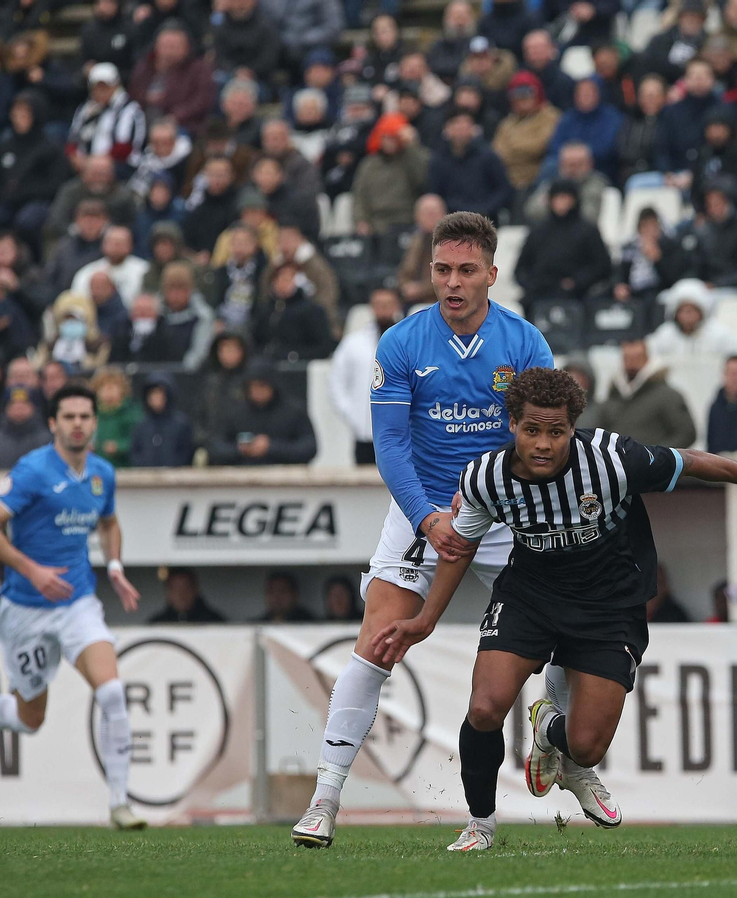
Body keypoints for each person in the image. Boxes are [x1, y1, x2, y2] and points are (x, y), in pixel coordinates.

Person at [369, 367, 737, 850]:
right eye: (532, 430)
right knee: (485, 708)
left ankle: (552, 732)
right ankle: (481, 823)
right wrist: (425, 619)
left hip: (609, 604)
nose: (544, 443)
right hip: (529, 594)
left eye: (557, 431)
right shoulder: (485, 476)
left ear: (573, 427)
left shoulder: (612, 459)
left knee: (588, 745)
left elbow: (689, 461)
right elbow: (460, 546)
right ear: (511, 425)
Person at [290, 212, 564, 850]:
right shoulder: (401, 343)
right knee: (378, 642)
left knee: (564, 633)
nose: (453, 282)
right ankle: (324, 800)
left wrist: (513, 503)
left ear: (492, 274)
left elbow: (547, 437)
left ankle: (552, 737)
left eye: (467, 270)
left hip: (504, 510)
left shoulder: (525, 344)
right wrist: (425, 516)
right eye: (443, 269)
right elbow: (388, 447)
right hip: (424, 509)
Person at [0, 383, 146, 830]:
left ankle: (120, 804)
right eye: (69, 416)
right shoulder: (33, 470)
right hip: (25, 610)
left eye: (85, 416)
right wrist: (32, 569)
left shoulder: (102, 473)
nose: (78, 424)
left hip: (78, 602)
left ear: (95, 423)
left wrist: (114, 565)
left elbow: (110, 522)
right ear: (53, 424)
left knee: (113, 692)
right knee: (30, 718)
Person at [330, 288, 402, 465]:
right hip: (364, 434)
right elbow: (336, 381)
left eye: (388, 305)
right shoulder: (353, 343)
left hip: (403, 435)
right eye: (378, 305)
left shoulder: (410, 341)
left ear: (397, 306)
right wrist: (351, 413)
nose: (383, 310)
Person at [582, 339, 697, 449]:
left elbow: (687, 433)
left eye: (637, 358)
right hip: (618, 466)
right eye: (627, 358)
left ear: (647, 359)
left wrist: (658, 456)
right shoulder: (614, 397)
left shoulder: (668, 396)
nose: (632, 364)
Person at [206, 364, 318, 465]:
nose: (257, 391)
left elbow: (309, 447)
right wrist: (240, 449)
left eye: (262, 385)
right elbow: (215, 447)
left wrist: (272, 447)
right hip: (241, 476)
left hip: (283, 476)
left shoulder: (294, 411)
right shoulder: (234, 412)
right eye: (252, 386)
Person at [647, 279, 737, 355]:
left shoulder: (720, 335)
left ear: (702, 312)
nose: (687, 316)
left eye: (691, 310)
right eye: (682, 311)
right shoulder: (665, 335)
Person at [0, 387, 53, 470]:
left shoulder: (47, 440)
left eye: (24, 403)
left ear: (33, 408)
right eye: (13, 404)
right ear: (6, 409)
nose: (19, 408)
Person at [129, 373, 194, 467]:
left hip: (176, 478)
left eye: (160, 394)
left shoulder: (181, 424)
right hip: (145, 478)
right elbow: (134, 452)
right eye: (152, 394)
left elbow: (186, 453)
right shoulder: (140, 425)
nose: (156, 398)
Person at [149, 567, 226, 623]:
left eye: (186, 588)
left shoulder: (214, 621)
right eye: (176, 589)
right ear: (168, 592)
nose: (181, 594)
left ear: (195, 590)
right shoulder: (158, 624)